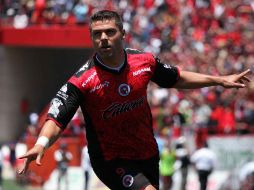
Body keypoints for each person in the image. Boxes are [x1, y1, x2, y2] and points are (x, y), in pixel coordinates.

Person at [18, 9, 251, 190]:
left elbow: (177, 78)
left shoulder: (145, 62)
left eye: (110, 32)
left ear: (123, 34)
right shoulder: (82, 81)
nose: (103, 38)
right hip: (111, 160)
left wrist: (219, 80)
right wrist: (41, 144)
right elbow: (57, 117)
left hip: (147, 153)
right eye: (97, 34)